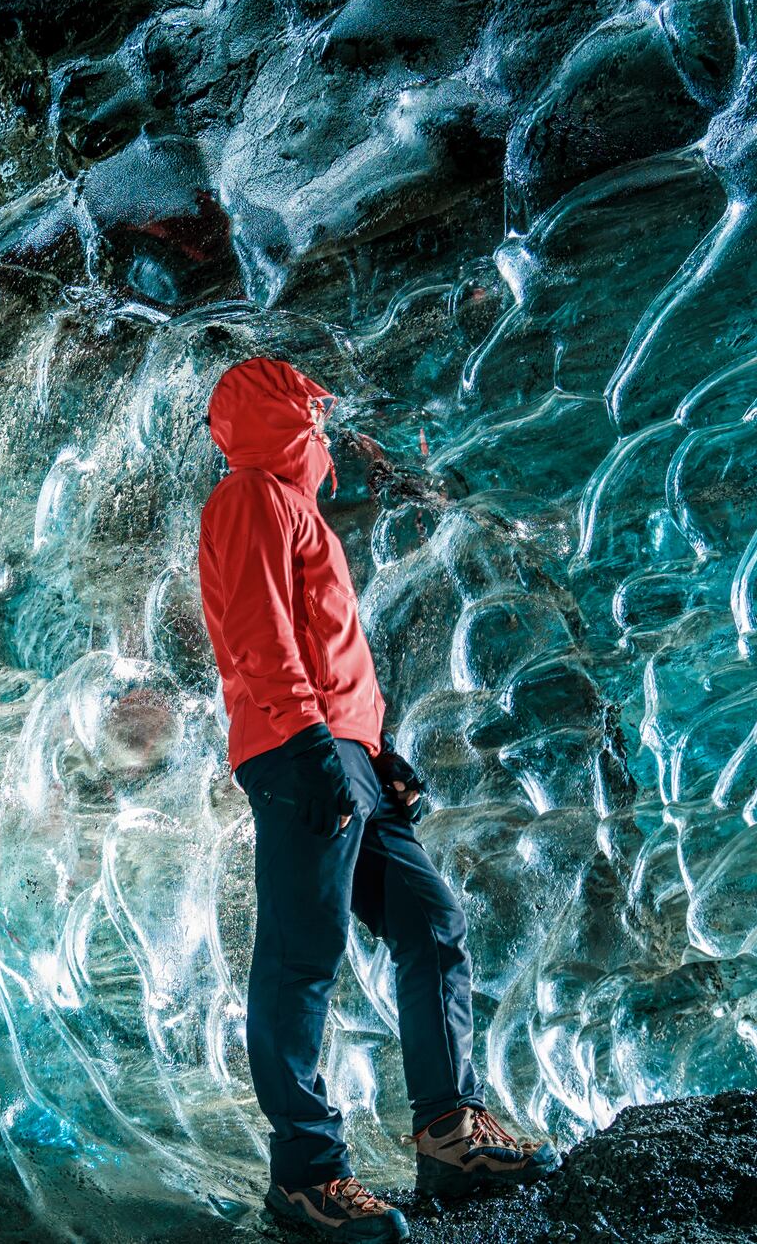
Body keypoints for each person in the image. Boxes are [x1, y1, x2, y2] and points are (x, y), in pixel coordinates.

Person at [197, 356, 556, 1240]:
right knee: (301, 954)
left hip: (336, 749)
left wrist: (374, 748)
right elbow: (258, 628)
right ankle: (307, 1178)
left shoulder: (294, 508)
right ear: (284, 420)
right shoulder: (250, 497)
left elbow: (317, 644)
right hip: (297, 750)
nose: (324, 432)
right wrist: (313, 741)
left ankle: (449, 1134)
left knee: (430, 921)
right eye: (311, 415)